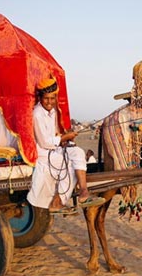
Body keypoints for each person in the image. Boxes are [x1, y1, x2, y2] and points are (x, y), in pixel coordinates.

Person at [27, 76, 103, 214]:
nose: (49, 102)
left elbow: (54, 134)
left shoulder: (53, 111)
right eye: (46, 98)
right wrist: (63, 138)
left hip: (55, 150)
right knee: (71, 164)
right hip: (44, 154)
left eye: (52, 98)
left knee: (78, 152)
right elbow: (44, 142)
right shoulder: (37, 114)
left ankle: (84, 192)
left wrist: (65, 140)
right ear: (40, 98)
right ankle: (57, 202)